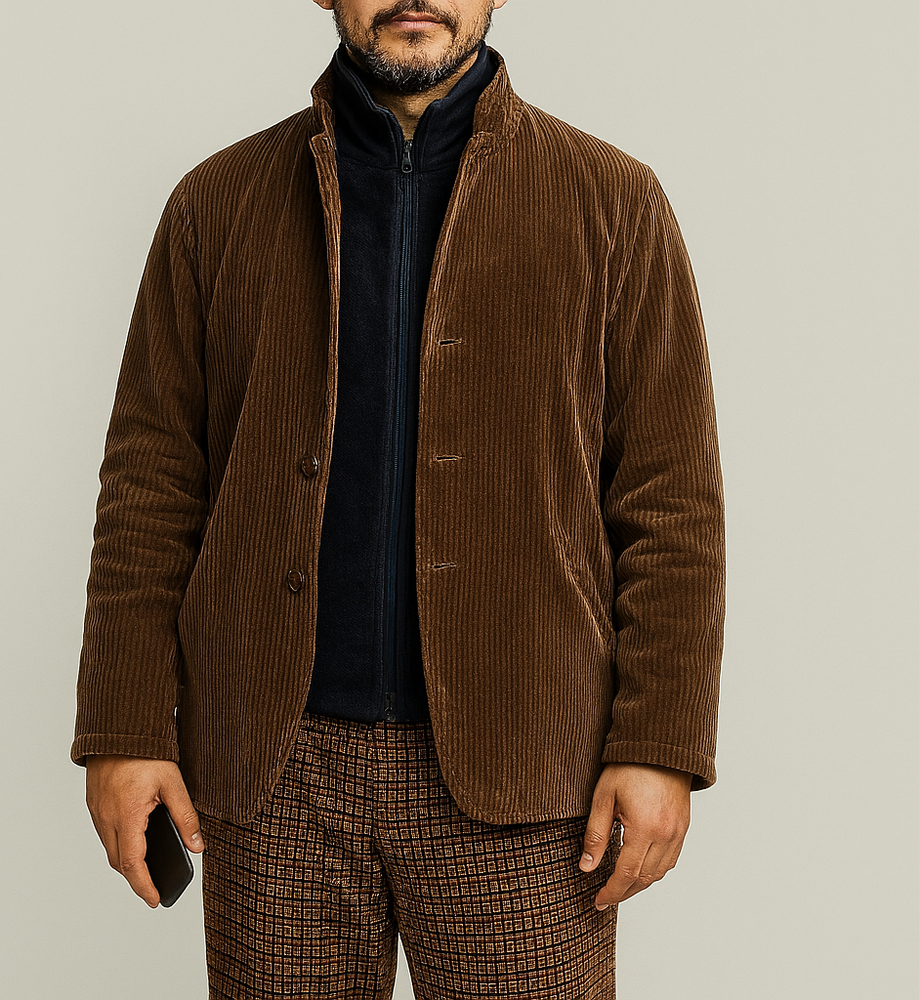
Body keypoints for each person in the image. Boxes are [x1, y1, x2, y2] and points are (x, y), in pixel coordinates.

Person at [71, 1, 726, 996]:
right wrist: (123, 727)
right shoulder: (217, 203)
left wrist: (660, 745)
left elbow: (671, 501)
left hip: (529, 776)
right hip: (274, 775)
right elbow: (150, 485)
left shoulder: (613, 202)